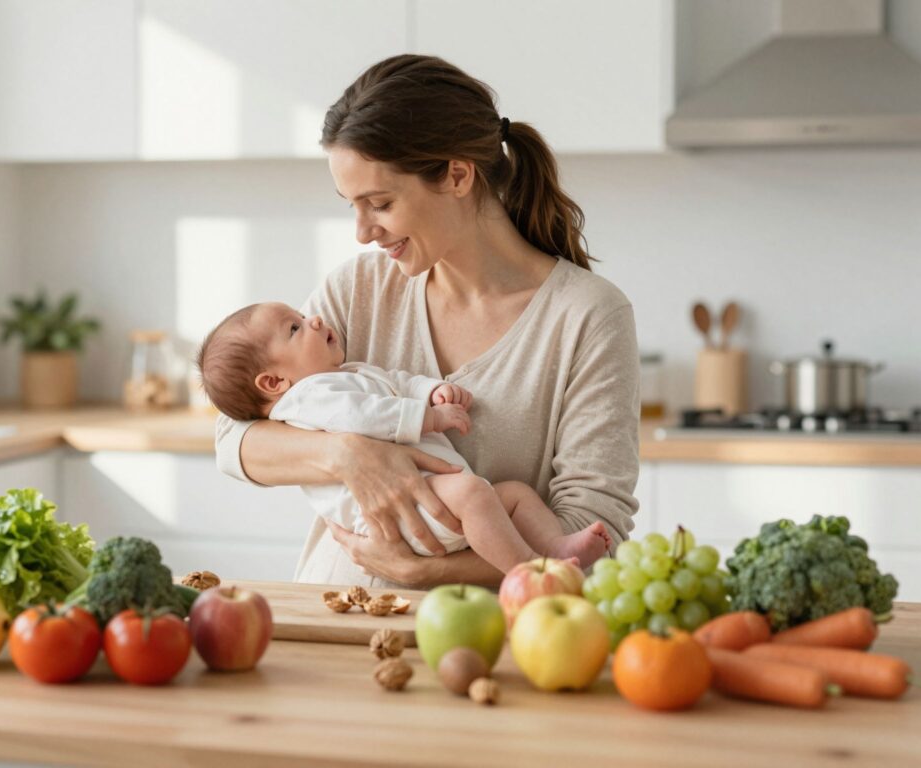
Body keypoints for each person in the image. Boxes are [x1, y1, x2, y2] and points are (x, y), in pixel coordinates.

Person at [215, 54, 640, 589]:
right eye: (352, 206)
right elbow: (234, 438)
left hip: (491, 643)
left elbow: (593, 529)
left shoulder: (586, 316)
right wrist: (347, 454)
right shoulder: (356, 290)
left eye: (380, 203)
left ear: (457, 175)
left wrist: (430, 570)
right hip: (336, 623)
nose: (363, 232)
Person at [198, 301, 614, 574]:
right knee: (474, 495)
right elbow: (363, 415)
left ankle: (557, 550)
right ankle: (528, 572)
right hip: (398, 521)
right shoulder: (308, 398)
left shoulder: (345, 374)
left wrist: (428, 390)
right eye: (295, 327)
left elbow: (392, 384)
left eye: (380, 203)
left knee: (514, 495)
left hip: (430, 506)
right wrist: (428, 417)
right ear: (273, 381)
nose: (316, 319)